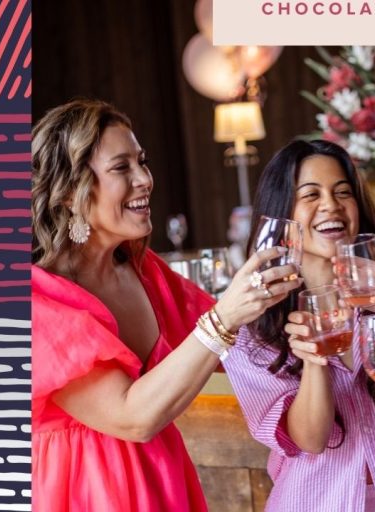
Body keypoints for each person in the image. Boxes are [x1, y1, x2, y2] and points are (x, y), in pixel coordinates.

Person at [30, 99, 302, 511]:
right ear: (69, 191)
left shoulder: (144, 272)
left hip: (164, 483)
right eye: (122, 167)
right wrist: (225, 314)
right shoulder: (36, 303)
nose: (144, 179)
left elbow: (245, 344)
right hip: (84, 495)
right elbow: (133, 418)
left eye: (142, 162)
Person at [222, 139, 375, 511]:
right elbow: (310, 440)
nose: (331, 206)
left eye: (342, 192)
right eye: (310, 195)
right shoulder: (254, 316)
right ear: (282, 211)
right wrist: (315, 358)